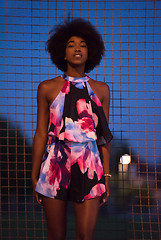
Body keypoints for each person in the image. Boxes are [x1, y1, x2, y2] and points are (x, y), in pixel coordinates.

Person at [32, 18, 113, 240]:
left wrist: (106, 175)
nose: (77, 48)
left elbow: (103, 138)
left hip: (90, 166)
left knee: (85, 236)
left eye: (83, 44)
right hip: (54, 165)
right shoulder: (47, 88)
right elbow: (40, 133)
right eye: (71, 44)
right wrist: (34, 173)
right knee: (56, 235)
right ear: (62, 53)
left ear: (91, 52)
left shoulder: (101, 90)